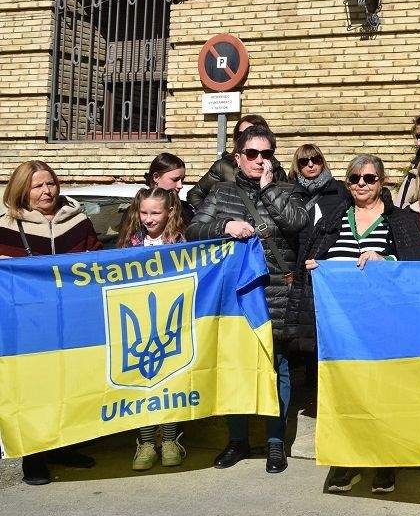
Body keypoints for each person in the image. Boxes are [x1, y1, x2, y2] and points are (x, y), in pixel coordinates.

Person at [298, 155, 420, 495]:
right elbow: (308, 259)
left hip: (384, 324)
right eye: (355, 178)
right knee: (345, 394)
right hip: (340, 327)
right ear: (348, 183)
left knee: (383, 393)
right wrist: (316, 266)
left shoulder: (399, 220)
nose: (362, 184)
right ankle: (347, 460)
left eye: (369, 178)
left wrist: (385, 260)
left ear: (382, 182)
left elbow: (418, 266)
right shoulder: (331, 220)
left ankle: (384, 462)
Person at [187, 124, 309, 474]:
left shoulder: (288, 189)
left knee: (276, 368)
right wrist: (223, 227)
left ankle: (275, 443)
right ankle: (237, 440)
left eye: (266, 153)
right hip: (235, 296)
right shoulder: (222, 193)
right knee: (235, 368)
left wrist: (270, 189)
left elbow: (297, 223)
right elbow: (195, 229)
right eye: (252, 154)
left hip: (276, 293)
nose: (259, 160)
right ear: (238, 157)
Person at [0, 160, 102, 485]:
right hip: (28, 324)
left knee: (71, 385)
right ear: (22, 191)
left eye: (51, 183)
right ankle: (34, 456)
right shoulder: (6, 226)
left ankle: (65, 446)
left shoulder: (79, 221)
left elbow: (97, 261)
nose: (47, 191)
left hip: (72, 321)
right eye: (38, 186)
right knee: (33, 389)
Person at [116, 187, 189, 471]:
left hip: (172, 323)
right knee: (141, 383)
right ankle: (146, 442)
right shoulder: (129, 242)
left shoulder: (182, 242)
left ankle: (170, 440)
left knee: (169, 381)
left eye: (155, 212)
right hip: (137, 325)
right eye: (143, 212)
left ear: (169, 212)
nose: (148, 218)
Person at [188, 114, 287, 210]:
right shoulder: (223, 166)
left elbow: (287, 208)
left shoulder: (277, 171)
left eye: (253, 132)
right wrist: (216, 219)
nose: (246, 137)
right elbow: (195, 194)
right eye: (241, 134)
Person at [289, 143, 349, 224]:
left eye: (315, 159)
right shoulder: (291, 192)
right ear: (297, 166)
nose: (310, 165)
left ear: (322, 162)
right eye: (304, 161)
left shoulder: (340, 188)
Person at [145, 152, 194, 223]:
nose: (180, 186)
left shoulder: (187, 211)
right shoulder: (135, 212)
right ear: (156, 177)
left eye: (182, 180)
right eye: (175, 179)